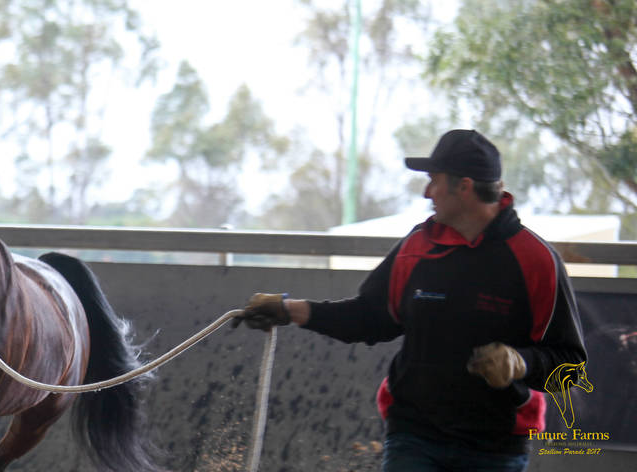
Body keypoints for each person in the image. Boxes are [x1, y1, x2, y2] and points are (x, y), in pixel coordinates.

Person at [234, 129, 587, 471]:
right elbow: (370, 317)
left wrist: (520, 363)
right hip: (415, 434)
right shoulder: (417, 247)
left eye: (434, 180)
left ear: (463, 187)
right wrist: (288, 309)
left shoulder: (536, 260)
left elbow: (569, 366)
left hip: (495, 444)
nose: (426, 192)